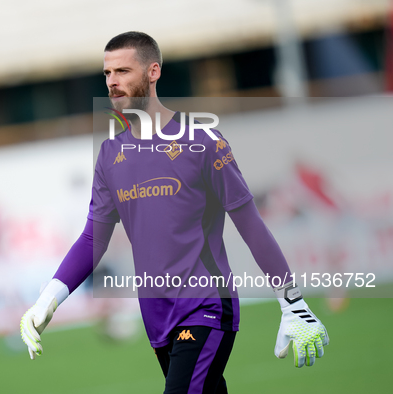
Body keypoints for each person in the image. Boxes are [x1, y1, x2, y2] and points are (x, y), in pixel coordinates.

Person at [20, 32, 329, 393]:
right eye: (107, 74)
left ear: (153, 72)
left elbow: (250, 225)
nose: (113, 82)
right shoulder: (109, 154)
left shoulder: (203, 141)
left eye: (123, 71)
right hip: (157, 318)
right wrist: (48, 300)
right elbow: (93, 238)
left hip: (206, 306)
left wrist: (293, 302)